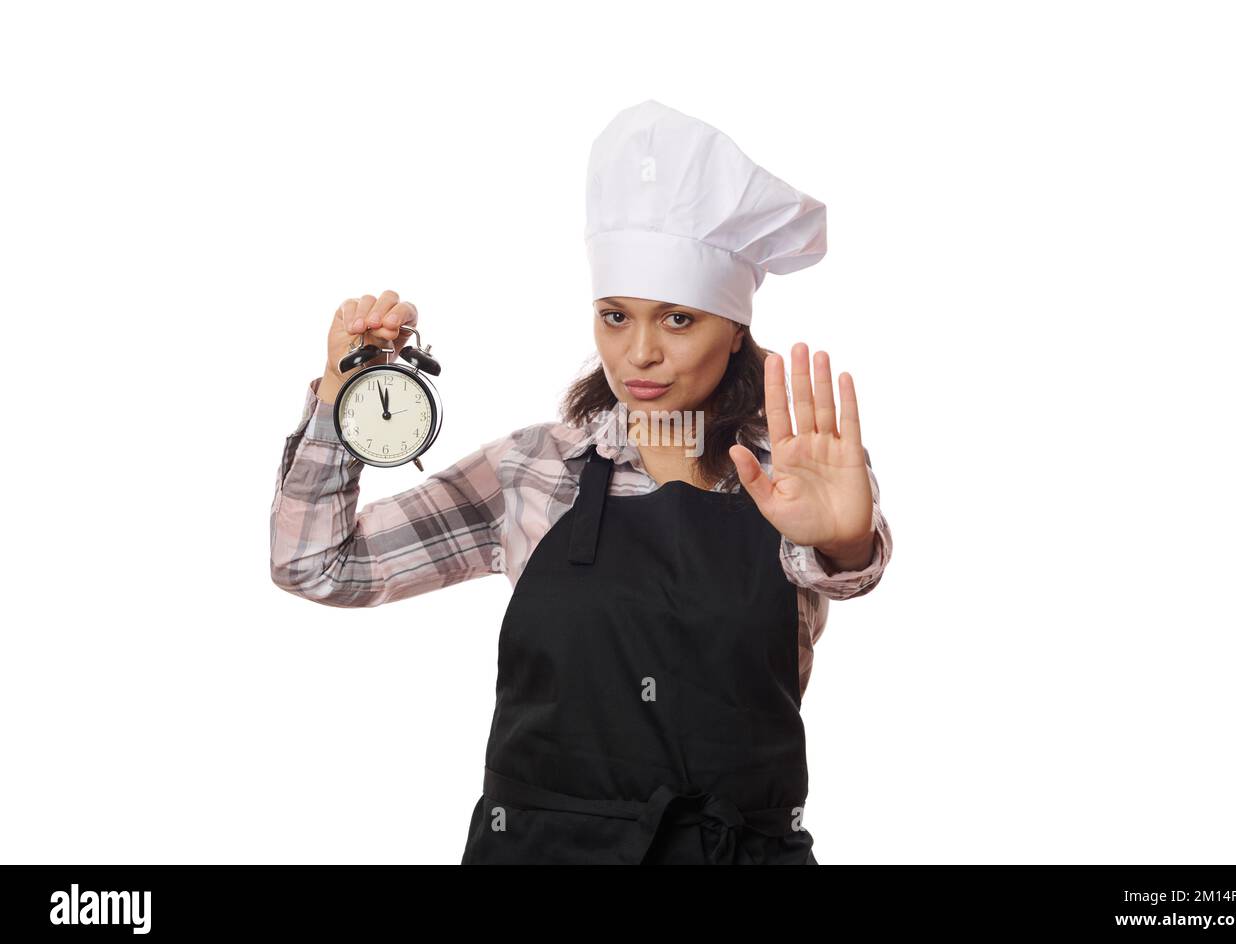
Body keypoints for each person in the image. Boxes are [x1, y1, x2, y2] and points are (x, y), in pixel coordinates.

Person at [269, 100, 893, 864]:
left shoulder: (784, 477)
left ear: (734, 330)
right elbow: (315, 564)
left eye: (676, 320)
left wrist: (845, 539)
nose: (639, 355)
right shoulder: (532, 469)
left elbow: (840, 563)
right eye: (614, 316)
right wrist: (341, 406)